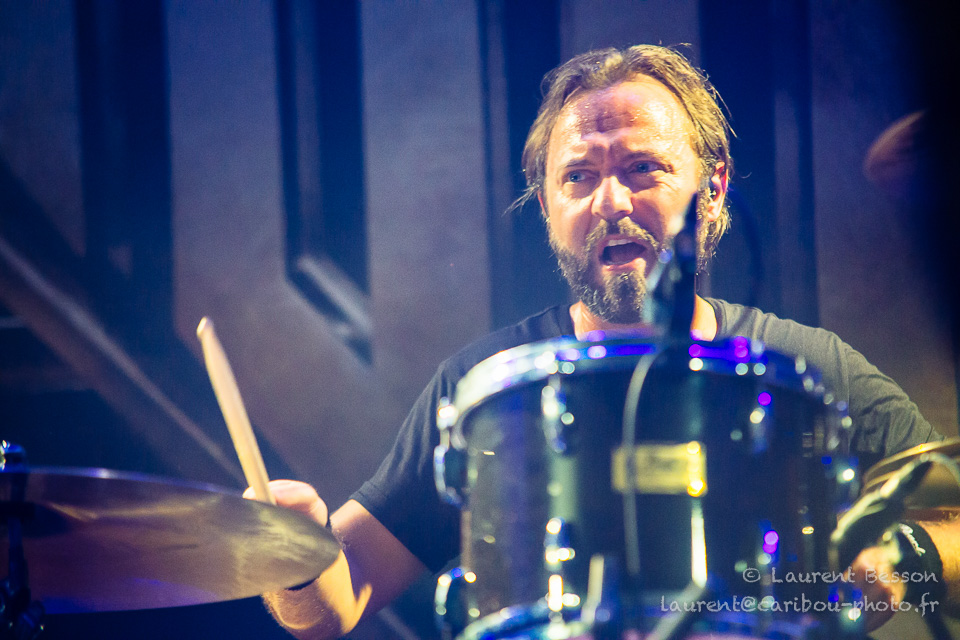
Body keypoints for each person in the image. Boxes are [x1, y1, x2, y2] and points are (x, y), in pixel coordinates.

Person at [249, 45, 951, 639]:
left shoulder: (808, 368)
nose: (610, 203)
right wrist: (293, 553)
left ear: (713, 188)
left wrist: (909, 557)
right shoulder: (487, 386)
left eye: (643, 168)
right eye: (579, 177)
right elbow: (335, 604)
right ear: (547, 206)